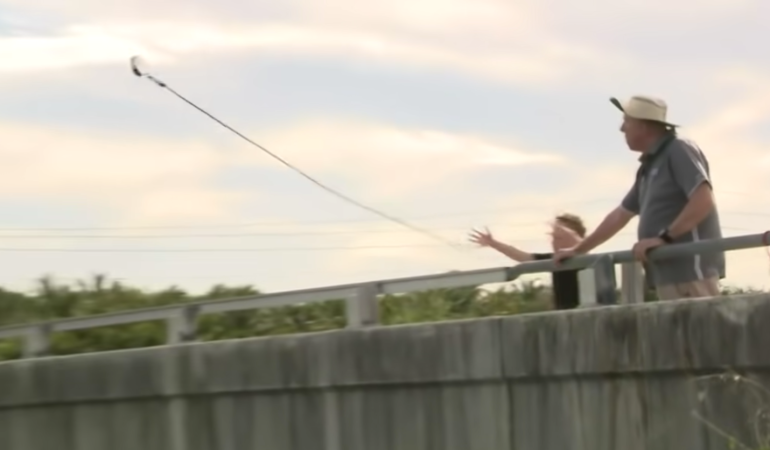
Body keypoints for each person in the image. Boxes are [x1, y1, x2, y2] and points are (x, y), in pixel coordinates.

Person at [554, 95, 725, 300]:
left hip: (690, 274)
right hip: (669, 275)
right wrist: (578, 250)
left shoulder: (679, 149)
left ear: (643, 126)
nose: (622, 128)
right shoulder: (649, 165)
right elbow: (620, 215)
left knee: (702, 332)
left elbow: (703, 200)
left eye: (627, 121)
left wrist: (663, 238)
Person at [468, 213, 589, 310]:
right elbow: (523, 257)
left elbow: (583, 249)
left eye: (559, 236)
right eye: (553, 236)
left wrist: (574, 241)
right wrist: (493, 243)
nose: (554, 241)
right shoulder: (554, 259)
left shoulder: (587, 260)